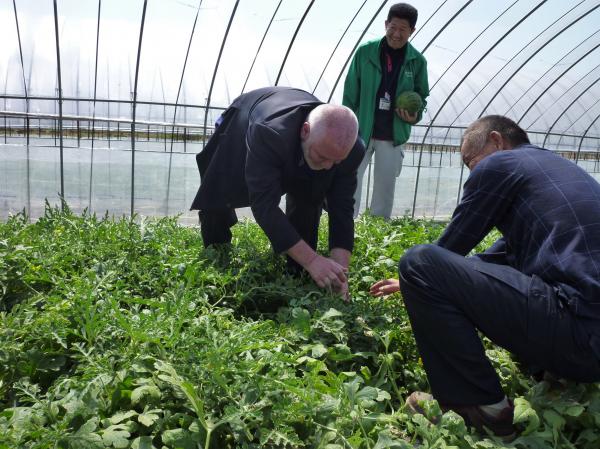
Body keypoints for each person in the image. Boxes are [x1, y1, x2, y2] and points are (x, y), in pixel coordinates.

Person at [370, 115, 600, 438]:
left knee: (417, 262)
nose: (471, 173)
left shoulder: (503, 163)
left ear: (497, 141)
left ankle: (487, 408)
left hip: (577, 328)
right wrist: (440, 275)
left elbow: (449, 247)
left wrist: (415, 277)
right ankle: (555, 377)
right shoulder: (553, 173)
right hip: (590, 337)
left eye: (470, 161)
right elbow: (500, 255)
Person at [190, 86, 365, 298]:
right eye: (322, 156)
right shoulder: (270, 132)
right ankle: (218, 258)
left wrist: (340, 274)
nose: (328, 166)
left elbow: (342, 209)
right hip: (243, 122)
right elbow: (264, 205)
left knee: (310, 195)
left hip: (295, 140)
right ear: (305, 130)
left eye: (336, 161)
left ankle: (296, 272)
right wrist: (313, 260)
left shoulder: (350, 149)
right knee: (218, 190)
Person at [343, 2, 429, 220]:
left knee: (384, 190)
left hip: (392, 136)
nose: (396, 34)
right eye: (393, 27)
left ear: (412, 31)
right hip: (361, 133)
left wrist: (414, 116)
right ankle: (345, 227)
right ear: (385, 24)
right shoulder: (365, 52)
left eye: (403, 29)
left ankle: (376, 231)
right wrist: (346, 129)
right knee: (349, 184)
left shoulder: (417, 61)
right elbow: (350, 93)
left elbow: (422, 97)